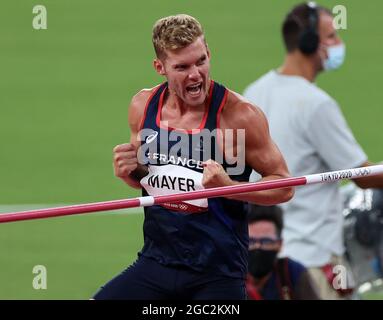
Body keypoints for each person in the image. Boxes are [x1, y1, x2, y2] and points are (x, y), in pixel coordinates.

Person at [93, 14, 293, 300]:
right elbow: (147, 182)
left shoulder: (239, 116)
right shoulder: (143, 106)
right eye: (182, 67)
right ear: (159, 67)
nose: (195, 74)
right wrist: (130, 172)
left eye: (201, 61)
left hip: (217, 276)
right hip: (156, 263)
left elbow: (285, 186)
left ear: (209, 53)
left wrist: (230, 188)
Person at [243, 2, 383, 299]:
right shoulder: (316, 105)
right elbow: (364, 176)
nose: (338, 44)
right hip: (314, 262)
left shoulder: (252, 94)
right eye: (331, 37)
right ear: (309, 43)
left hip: (268, 260)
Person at [246, 204, 319, 300]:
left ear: (280, 244)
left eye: (266, 241)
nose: (258, 247)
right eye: (251, 241)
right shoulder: (229, 278)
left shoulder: (291, 273)